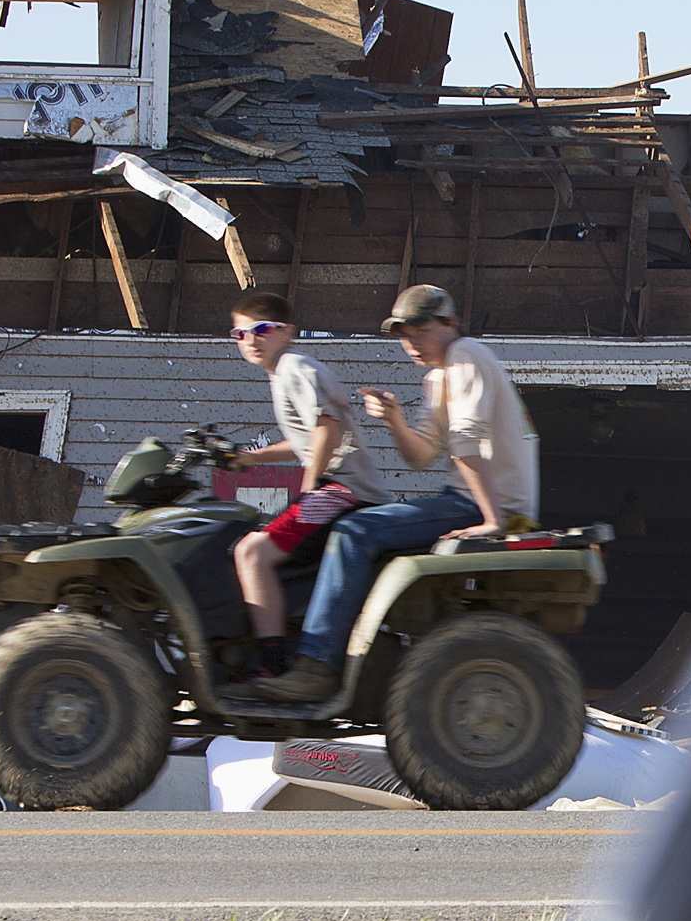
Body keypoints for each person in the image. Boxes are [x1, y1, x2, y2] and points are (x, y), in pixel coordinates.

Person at [248, 283, 538, 705]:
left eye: (419, 329)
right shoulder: (439, 376)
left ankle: (316, 666)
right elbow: (420, 455)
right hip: (468, 499)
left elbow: (466, 439)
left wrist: (491, 520)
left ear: (449, 322)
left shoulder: (467, 355)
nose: (410, 342)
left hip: (483, 503)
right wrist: (394, 420)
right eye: (403, 333)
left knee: (353, 532)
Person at [222, 291, 386, 678]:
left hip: (342, 490)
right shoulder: (285, 373)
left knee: (251, 553)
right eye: (240, 333)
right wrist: (248, 458)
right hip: (336, 487)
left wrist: (309, 487)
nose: (252, 340)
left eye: (262, 329)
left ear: (287, 332)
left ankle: (273, 665)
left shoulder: (295, 367)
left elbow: (326, 427)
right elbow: (304, 439)